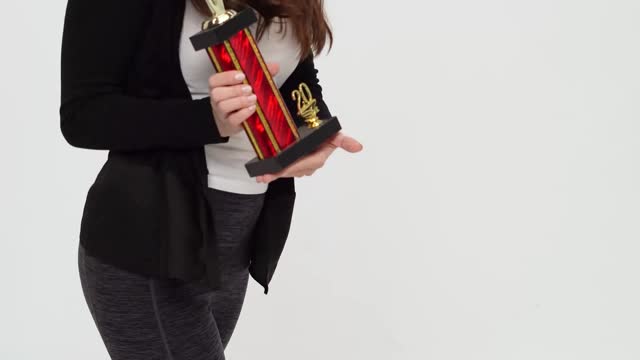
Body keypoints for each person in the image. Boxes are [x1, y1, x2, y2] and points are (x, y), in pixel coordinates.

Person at [59, 0, 362, 358]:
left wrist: (314, 130)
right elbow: (83, 116)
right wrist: (208, 120)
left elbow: (294, 73)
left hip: (235, 241)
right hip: (151, 243)